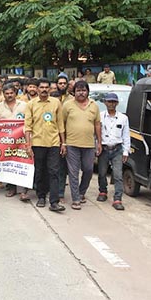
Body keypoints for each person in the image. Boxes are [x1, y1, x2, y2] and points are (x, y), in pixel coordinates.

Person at [24, 78, 66, 212]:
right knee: (40, 171)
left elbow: (60, 124)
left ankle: (54, 202)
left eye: (46, 87)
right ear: (36, 89)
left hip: (53, 143)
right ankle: (41, 196)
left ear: (50, 89)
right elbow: (27, 126)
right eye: (41, 87)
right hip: (37, 143)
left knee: (54, 171)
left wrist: (63, 143)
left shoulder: (56, 103)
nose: (43, 90)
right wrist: (28, 145)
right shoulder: (31, 104)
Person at [62, 81, 102, 210]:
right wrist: (63, 142)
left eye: (83, 90)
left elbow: (97, 125)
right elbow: (61, 124)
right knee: (73, 173)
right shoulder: (67, 105)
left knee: (89, 170)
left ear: (87, 92)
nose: (81, 93)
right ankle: (76, 199)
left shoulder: (94, 106)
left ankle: (81, 192)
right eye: (78, 90)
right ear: (74, 92)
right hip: (71, 144)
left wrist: (99, 142)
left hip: (89, 145)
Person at [0, 82, 29, 200]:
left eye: (11, 93)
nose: (9, 95)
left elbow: (30, 121)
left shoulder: (24, 105)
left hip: (22, 140)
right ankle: (12, 188)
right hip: (6, 141)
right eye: (7, 93)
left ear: (16, 93)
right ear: (3, 94)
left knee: (23, 163)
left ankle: (24, 190)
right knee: (10, 164)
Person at [96, 93, 130, 210]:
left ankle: (117, 198)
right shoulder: (100, 116)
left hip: (117, 149)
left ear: (117, 103)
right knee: (102, 172)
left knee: (118, 175)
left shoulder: (123, 118)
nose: (111, 104)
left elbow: (126, 135)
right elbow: (96, 134)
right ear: (105, 102)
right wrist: (97, 146)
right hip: (104, 148)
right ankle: (103, 191)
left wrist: (126, 151)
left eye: (113, 102)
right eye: (109, 101)